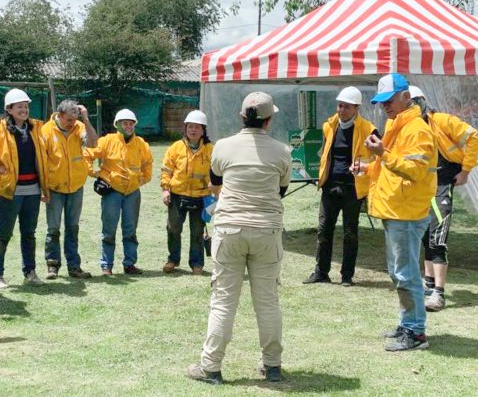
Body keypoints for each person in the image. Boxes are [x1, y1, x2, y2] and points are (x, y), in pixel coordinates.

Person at [187, 92, 291, 385]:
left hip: (229, 228)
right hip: (267, 230)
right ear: (268, 120)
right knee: (268, 302)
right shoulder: (282, 151)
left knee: (223, 302)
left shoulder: (223, 146)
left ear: (242, 116)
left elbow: (215, 183)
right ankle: (272, 366)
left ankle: (211, 367)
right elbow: (280, 190)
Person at [354, 73, 437, 351]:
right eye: (381, 101)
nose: (385, 106)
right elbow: (391, 165)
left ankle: (415, 332)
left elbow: (414, 170)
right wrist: (367, 168)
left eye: (389, 100)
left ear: (405, 97)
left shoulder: (417, 129)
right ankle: (408, 323)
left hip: (407, 212)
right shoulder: (396, 124)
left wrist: (382, 155)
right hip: (396, 208)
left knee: (406, 273)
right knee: (399, 271)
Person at [409, 86, 478, 312]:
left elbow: (474, 137)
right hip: (421, 185)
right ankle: (428, 286)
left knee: (438, 236)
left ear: (420, 103)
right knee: (425, 235)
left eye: (412, 103)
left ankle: (438, 293)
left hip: (441, 182)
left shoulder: (441, 120)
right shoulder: (408, 128)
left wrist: (466, 170)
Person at [303, 87, 377, 286]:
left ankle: (347, 276)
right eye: (339, 105)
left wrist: (366, 169)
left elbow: (379, 156)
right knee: (323, 230)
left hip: (353, 189)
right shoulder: (329, 126)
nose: (341, 110)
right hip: (330, 187)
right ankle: (321, 272)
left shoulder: (369, 129)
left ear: (356, 108)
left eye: (345, 106)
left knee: (350, 232)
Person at [0, 88, 49, 289]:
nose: (24, 110)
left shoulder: (36, 128)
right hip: (9, 191)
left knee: (29, 234)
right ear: (8, 109)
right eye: (19, 107)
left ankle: (30, 272)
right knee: (3, 235)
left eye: (26, 106)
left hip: (33, 190)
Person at [84, 109, 153, 275]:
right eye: (125, 123)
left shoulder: (141, 144)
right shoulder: (107, 141)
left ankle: (129, 264)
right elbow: (88, 154)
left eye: (131, 123)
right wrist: (95, 173)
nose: (128, 126)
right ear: (117, 125)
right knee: (109, 230)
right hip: (112, 192)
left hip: (132, 193)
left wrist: (142, 180)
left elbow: (148, 164)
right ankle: (106, 265)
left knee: (130, 230)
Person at [40, 99, 98, 279]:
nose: (72, 124)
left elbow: (93, 144)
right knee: (53, 228)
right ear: (59, 115)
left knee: (72, 228)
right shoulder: (46, 131)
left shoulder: (80, 126)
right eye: (68, 120)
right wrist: (43, 188)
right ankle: (52, 265)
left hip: (75, 187)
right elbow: (40, 161)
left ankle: (74, 267)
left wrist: (86, 120)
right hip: (55, 188)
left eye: (75, 120)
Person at [161, 110, 213, 275]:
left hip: (201, 196)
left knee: (197, 231)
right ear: (185, 129)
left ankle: (196, 264)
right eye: (190, 127)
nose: (193, 130)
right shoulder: (175, 148)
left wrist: (215, 190)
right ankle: (173, 260)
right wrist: (165, 189)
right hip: (177, 194)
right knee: (173, 228)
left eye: (197, 127)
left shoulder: (211, 149)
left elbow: (218, 172)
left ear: (203, 130)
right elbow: (166, 171)